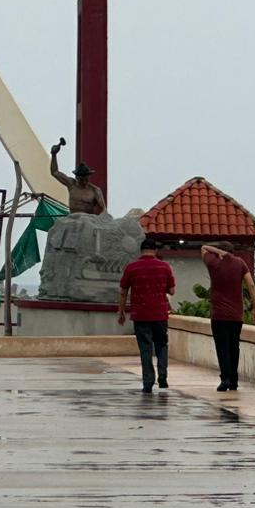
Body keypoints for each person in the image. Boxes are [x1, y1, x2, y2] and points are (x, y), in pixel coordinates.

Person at [200, 241, 255, 392]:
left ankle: (225, 378)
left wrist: (217, 252)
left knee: (222, 347)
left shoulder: (213, 262)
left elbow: (203, 247)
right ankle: (233, 380)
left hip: (219, 315)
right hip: (236, 315)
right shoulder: (240, 263)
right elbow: (251, 285)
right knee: (234, 347)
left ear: (219, 252)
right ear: (233, 252)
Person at [117, 238, 175, 393]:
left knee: (145, 349)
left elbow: (123, 292)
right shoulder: (164, 267)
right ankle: (162, 375)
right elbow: (172, 291)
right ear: (155, 250)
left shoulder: (132, 267)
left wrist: (121, 311)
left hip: (140, 315)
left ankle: (148, 382)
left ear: (141, 250)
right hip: (160, 315)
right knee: (162, 345)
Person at [49, 137, 106, 215]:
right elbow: (55, 172)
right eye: (81, 179)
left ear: (89, 177)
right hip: (73, 217)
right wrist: (54, 155)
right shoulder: (71, 184)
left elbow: (104, 210)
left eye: (86, 179)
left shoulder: (95, 191)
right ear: (77, 177)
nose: (84, 181)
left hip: (88, 220)